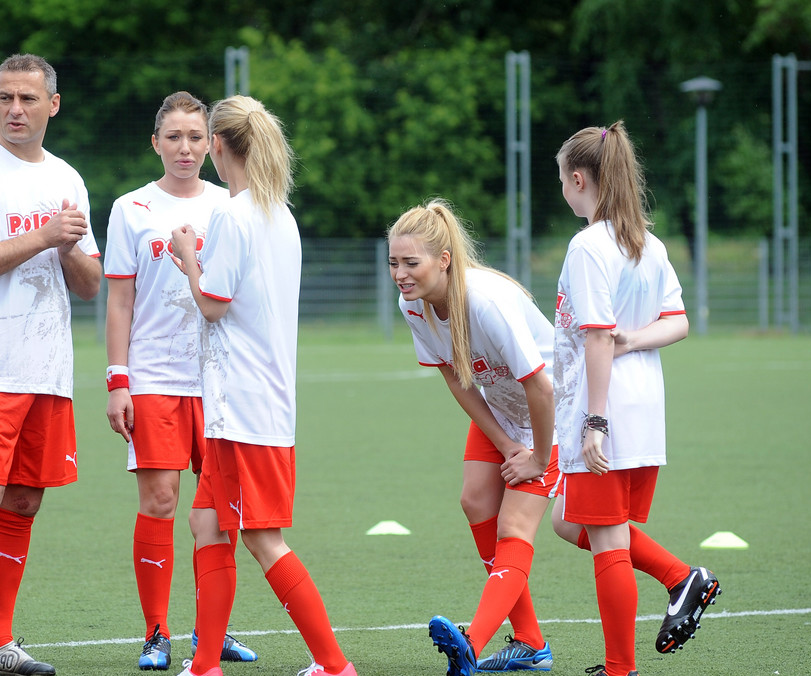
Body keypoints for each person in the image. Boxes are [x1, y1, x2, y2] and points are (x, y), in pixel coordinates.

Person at [169, 95, 356, 676]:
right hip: (253, 400)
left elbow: (213, 305)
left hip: (244, 404)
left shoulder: (234, 213)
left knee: (262, 538)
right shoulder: (279, 212)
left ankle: (334, 664)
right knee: (205, 522)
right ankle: (204, 664)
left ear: (219, 146)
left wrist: (186, 257)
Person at [0, 54, 101, 676]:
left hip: (47, 365)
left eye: (28, 99)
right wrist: (44, 237)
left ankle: (0, 641)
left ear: (52, 105)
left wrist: (71, 245)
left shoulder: (68, 178)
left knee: (26, 502)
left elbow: (87, 285)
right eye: (5, 97)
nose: (15, 109)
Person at [552, 121, 720, 676]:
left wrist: (594, 421)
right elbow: (677, 322)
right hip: (646, 410)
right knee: (568, 521)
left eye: (562, 179)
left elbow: (599, 337)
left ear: (579, 178)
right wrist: (633, 340)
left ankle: (620, 670)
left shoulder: (588, 245)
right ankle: (681, 578)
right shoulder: (647, 242)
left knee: (607, 542)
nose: (562, 190)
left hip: (607, 409)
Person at [104, 91, 257, 671]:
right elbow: (120, 301)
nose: (186, 148)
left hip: (219, 378)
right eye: (174, 137)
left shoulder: (231, 205)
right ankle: (157, 633)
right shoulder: (131, 209)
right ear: (156, 143)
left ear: (213, 144)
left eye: (197, 138)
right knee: (161, 500)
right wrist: (118, 380)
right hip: (154, 376)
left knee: (219, 511)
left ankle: (210, 634)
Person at [386, 200, 558, 676]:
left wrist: (537, 458)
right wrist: (506, 445)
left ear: (443, 260)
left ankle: (472, 644)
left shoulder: (484, 300)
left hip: (556, 410)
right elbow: (457, 380)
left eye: (411, 263)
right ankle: (531, 643)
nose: (400, 274)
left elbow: (542, 386)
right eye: (394, 263)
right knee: (477, 501)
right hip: (506, 409)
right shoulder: (413, 305)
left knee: (519, 528)